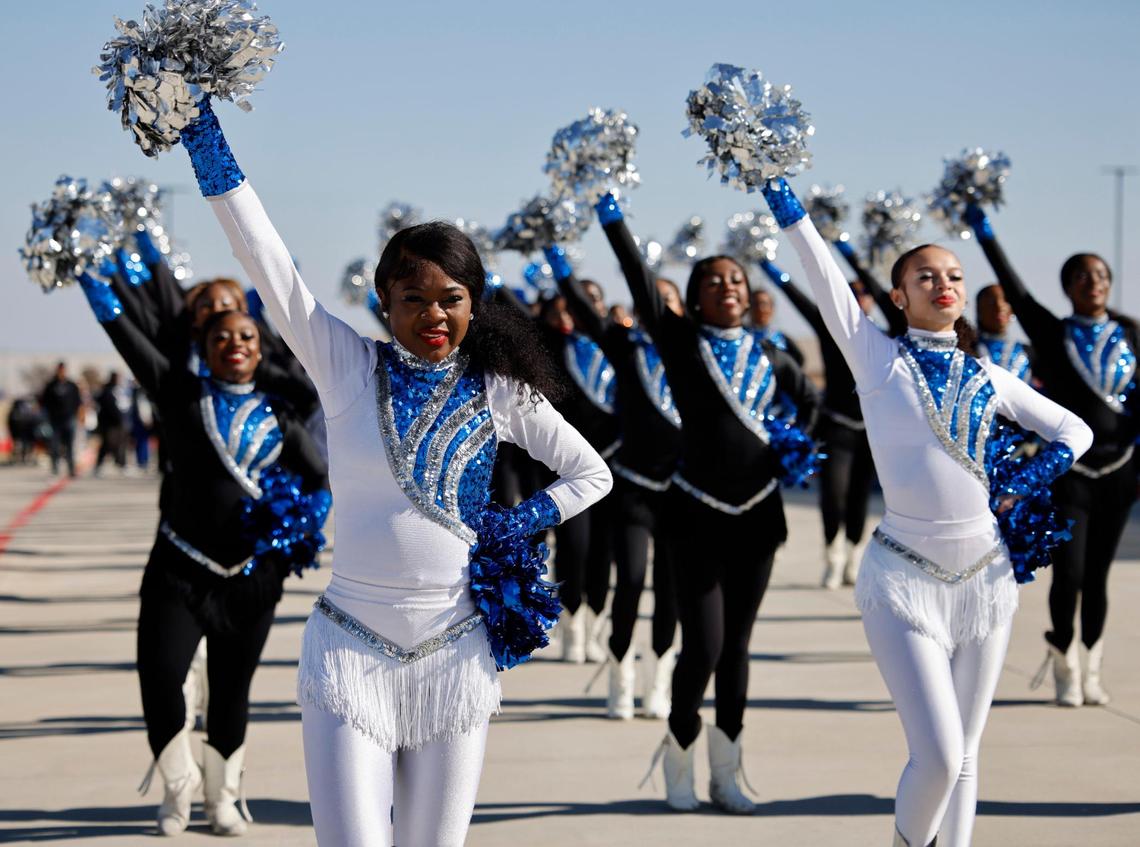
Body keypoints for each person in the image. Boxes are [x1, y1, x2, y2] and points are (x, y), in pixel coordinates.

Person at [177, 99, 612, 846]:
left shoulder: (501, 389)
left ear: (476, 306)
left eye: (451, 299)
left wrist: (517, 521)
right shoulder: (346, 364)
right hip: (350, 650)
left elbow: (589, 473)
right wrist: (200, 131)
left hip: (455, 656)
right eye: (413, 299)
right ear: (384, 301)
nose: (432, 315)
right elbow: (267, 262)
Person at [768, 178, 1092, 847]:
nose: (943, 284)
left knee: (969, 755)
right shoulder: (876, 359)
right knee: (940, 755)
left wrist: (1025, 479)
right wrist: (781, 195)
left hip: (986, 581)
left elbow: (1075, 432)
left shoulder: (988, 375)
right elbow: (823, 274)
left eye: (953, 275)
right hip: (904, 580)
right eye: (925, 275)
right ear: (899, 295)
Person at [75, 267, 330, 837]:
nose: (234, 345)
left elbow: (318, 483)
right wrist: (93, 282)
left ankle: (224, 796)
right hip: (178, 568)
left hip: (252, 577)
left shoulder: (282, 415)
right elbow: (127, 339)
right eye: (220, 338)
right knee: (162, 676)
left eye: (246, 338)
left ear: (260, 348)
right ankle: (177, 785)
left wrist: (292, 533)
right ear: (203, 346)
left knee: (231, 689)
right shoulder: (179, 392)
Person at [596, 192, 819, 814]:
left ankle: (727, 774)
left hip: (758, 517)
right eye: (714, 281)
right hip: (693, 517)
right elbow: (641, 280)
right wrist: (609, 212)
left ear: (748, 296)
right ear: (694, 299)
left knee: (739, 649)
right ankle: (679, 751)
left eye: (737, 280)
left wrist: (793, 446)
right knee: (705, 647)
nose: (728, 286)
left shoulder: (774, 355)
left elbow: (810, 409)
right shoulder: (680, 342)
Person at [967, 205, 1134, 707]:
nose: (1093, 282)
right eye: (1082, 275)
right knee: (1072, 572)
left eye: (1101, 274)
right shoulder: (1052, 332)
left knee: (1100, 576)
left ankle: (1093, 667)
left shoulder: (1131, 332)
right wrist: (984, 230)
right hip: (1070, 474)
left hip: (1121, 472)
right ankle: (1064, 659)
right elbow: (1015, 291)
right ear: (1068, 286)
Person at [546, 250, 682, 719]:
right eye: (654, 302)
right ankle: (620, 675)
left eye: (670, 302)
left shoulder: (695, 355)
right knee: (631, 580)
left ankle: (658, 680)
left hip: (682, 495)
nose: (662, 311)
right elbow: (585, 310)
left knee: (670, 591)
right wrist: (557, 259)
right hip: (632, 488)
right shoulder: (625, 349)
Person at [760, 262, 893, 589]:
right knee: (833, 494)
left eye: (865, 293)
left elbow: (892, 307)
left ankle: (853, 555)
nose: (861, 298)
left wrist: (862, 269)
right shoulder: (830, 326)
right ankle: (832, 555)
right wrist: (768, 265)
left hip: (870, 428)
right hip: (836, 426)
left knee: (860, 496)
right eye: (854, 292)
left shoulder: (886, 335)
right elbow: (797, 296)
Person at [535, 290, 621, 663]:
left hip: (615, 464)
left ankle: (595, 623)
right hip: (569, 468)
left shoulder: (618, 348)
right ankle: (571, 622)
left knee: (603, 550)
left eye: (595, 301)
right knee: (574, 545)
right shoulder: (554, 346)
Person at [974, 284, 1033, 382]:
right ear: (979, 309)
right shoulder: (967, 349)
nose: (999, 306)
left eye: (1006, 301)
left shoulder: (1028, 352)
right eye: (991, 302)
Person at [40, 362, 81, 477]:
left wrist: (77, 414)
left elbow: (78, 401)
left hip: (69, 418)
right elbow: (44, 402)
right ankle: (55, 467)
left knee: (70, 445)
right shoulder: (51, 385)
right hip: (55, 420)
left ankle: (71, 468)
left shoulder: (71, 385)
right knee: (55, 445)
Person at [749, 287, 805, 365]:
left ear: (771, 308)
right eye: (755, 304)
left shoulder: (783, 339)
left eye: (764, 304)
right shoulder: (743, 337)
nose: (760, 309)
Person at [95, 370, 132, 474]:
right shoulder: (107, 391)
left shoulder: (119, 390)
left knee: (120, 444)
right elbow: (109, 407)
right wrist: (118, 417)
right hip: (110, 423)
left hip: (118, 422)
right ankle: (99, 465)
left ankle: (121, 464)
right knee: (107, 443)